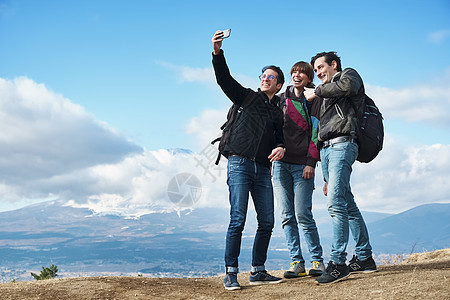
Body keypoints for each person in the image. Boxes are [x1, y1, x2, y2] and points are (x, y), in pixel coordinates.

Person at [211, 30, 286, 290]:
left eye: (271, 77)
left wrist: (281, 148)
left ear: (279, 85)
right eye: (263, 76)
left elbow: (279, 139)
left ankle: (258, 270)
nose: (266, 79)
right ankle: (231, 272)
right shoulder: (247, 97)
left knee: (267, 222)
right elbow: (224, 80)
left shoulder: (278, 111)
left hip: (263, 170)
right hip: (240, 164)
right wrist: (218, 52)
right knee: (238, 219)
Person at [304, 52, 377, 285]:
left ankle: (338, 264)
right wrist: (327, 177)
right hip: (327, 151)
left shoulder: (348, 75)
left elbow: (346, 87)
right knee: (347, 203)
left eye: (320, 67)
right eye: (315, 70)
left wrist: (316, 91)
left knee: (336, 204)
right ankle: (365, 258)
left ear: (333, 64)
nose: (317, 72)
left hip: (343, 144)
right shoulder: (325, 93)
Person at [273, 61, 325, 278]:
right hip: (280, 166)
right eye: (294, 72)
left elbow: (316, 133)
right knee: (286, 216)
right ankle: (296, 262)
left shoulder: (313, 100)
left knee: (303, 213)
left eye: (301, 73)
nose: (297, 75)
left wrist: (311, 162)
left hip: (302, 166)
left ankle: (317, 261)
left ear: (309, 78)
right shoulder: (280, 101)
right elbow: (272, 131)